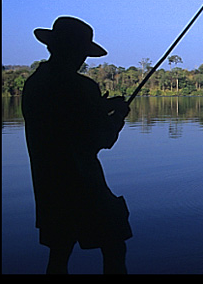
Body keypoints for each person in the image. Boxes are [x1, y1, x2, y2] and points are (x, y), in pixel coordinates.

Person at [22, 16, 132, 274]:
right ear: (77, 52)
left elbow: (61, 115)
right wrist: (118, 116)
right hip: (83, 184)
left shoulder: (34, 84)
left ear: (51, 46)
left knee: (59, 254)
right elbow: (102, 139)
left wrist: (103, 106)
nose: (83, 59)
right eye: (83, 53)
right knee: (114, 246)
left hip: (48, 186)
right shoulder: (81, 87)